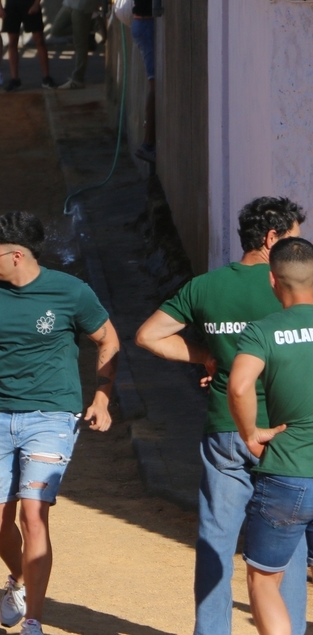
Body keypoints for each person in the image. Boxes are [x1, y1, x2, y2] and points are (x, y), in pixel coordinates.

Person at [136, 197, 306, 635]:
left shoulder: (205, 286)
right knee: (284, 546)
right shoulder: (296, 288)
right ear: (272, 238)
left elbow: (149, 335)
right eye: (294, 236)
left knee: (216, 537)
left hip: (227, 429)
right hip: (286, 435)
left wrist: (207, 357)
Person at [0, 211, 120, 635]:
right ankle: (20, 578)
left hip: (53, 416)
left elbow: (108, 339)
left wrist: (102, 396)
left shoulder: (71, 292)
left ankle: (34, 621)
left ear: (17, 255)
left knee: (33, 514)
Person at [229, 236, 313, 635]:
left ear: (273, 280)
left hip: (287, 472)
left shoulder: (263, 331)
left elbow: (239, 386)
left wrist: (250, 433)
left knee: (264, 580)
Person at [123, 0, 157, 163]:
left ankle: (148, 143)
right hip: (145, 24)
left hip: (144, 22)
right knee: (154, 85)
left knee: (154, 83)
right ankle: (147, 144)